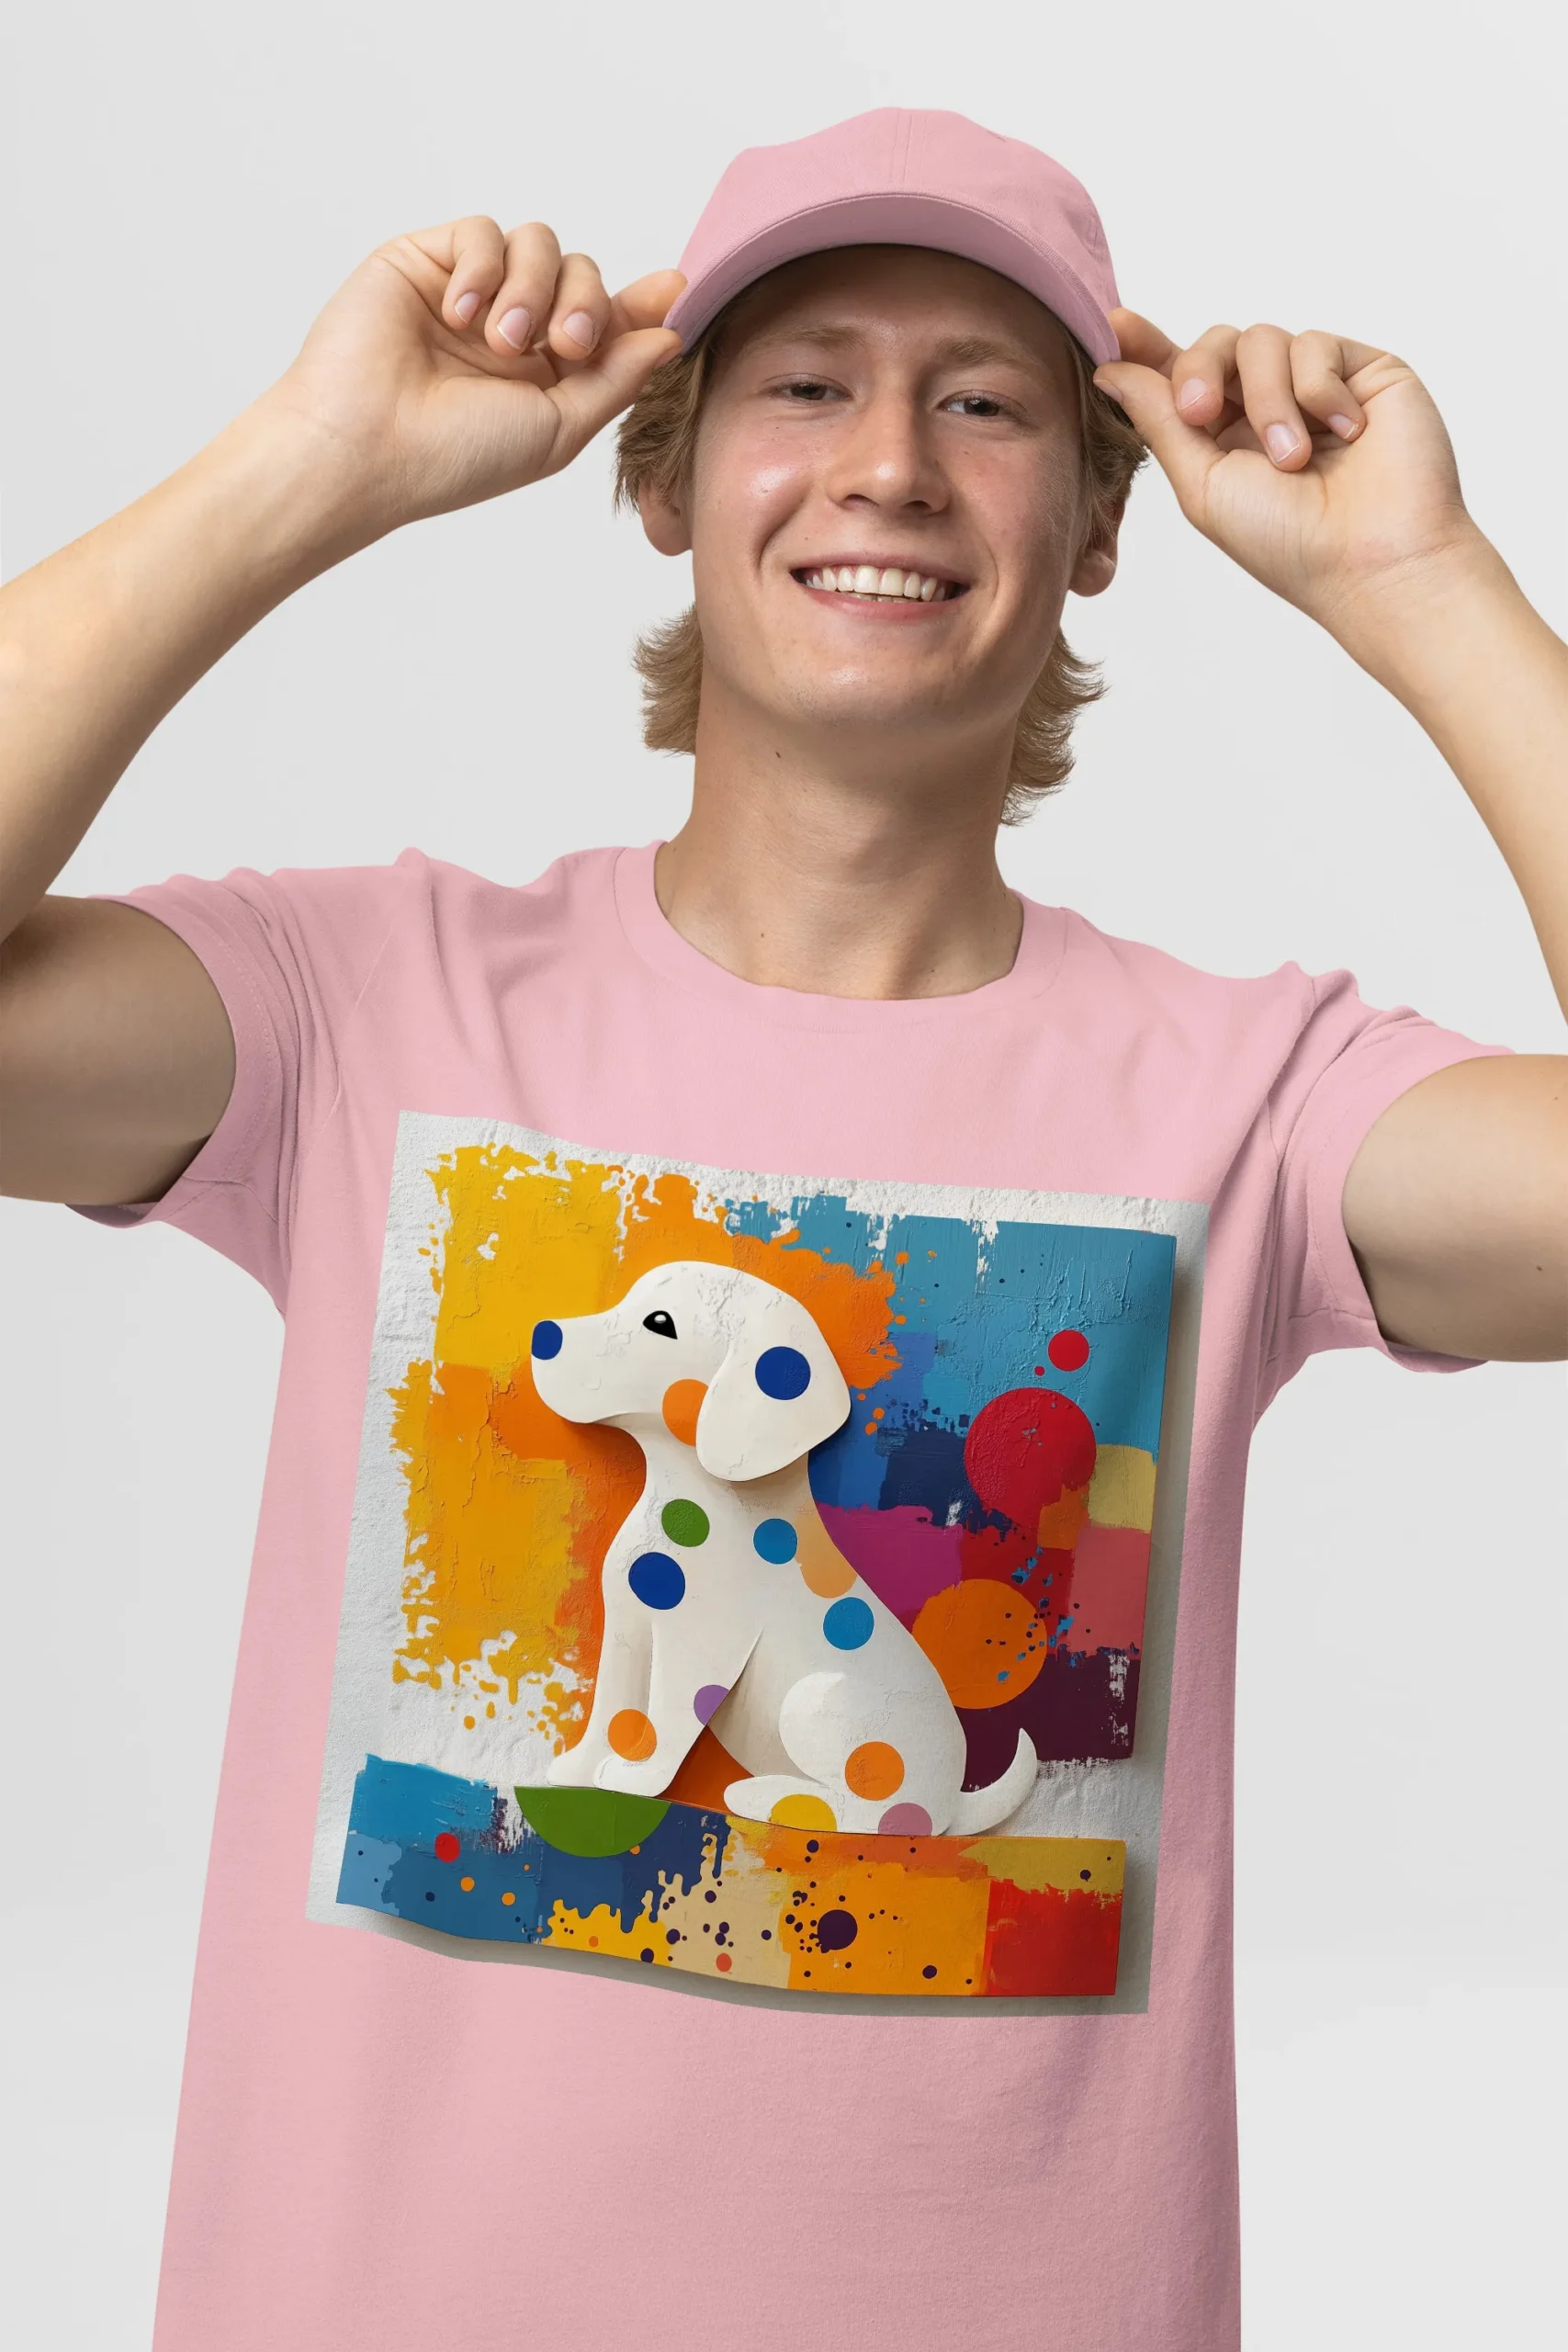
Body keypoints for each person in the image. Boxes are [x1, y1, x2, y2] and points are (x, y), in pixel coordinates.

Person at [0, 104, 1562, 2352]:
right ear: (664, 476)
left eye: (986, 402)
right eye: (809, 382)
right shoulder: (357, 1006)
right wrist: (303, 467)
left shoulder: (1255, 1101)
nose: (891, 464)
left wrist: (1423, 585)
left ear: (1097, 520)